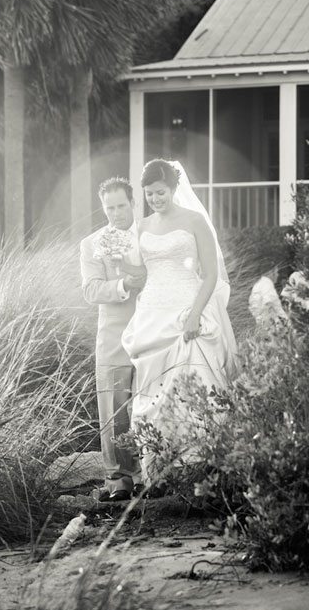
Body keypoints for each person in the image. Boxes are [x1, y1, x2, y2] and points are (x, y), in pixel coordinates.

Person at [120, 159, 238, 487]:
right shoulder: (141, 227)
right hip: (152, 313)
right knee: (151, 392)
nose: (155, 199)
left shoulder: (194, 220)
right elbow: (139, 272)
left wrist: (196, 313)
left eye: (160, 192)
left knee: (199, 384)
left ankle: (205, 475)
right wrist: (118, 261)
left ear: (173, 189)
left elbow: (211, 273)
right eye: (149, 194)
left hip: (188, 310)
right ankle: (158, 476)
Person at [79, 177, 145, 501]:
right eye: (109, 208)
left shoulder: (150, 235)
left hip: (151, 329)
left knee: (148, 401)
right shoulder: (92, 243)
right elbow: (91, 289)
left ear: (133, 203)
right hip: (115, 333)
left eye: (121, 205)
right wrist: (123, 285)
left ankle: (149, 472)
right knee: (115, 406)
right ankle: (118, 479)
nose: (116, 213)